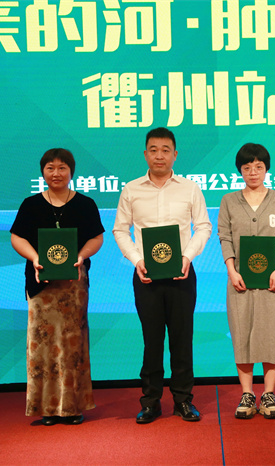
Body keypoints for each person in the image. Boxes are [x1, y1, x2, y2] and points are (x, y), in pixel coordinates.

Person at [113, 127, 212, 424]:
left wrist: (187, 256)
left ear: (175, 154)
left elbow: (203, 226)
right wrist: (137, 259)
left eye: (165, 150)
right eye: (154, 150)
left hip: (182, 274)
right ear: (145, 154)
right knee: (152, 341)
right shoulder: (131, 190)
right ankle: (150, 402)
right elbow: (120, 229)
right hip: (146, 276)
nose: (159, 155)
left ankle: (183, 400)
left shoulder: (190, 188)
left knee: (182, 340)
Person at [10, 148, 105, 426]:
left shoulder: (85, 204)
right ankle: (47, 409)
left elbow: (96, 238)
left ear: (71, 171)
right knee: (42, 346)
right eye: (50, 168)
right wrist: (35, 258)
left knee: (73, 345)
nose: (56, 173)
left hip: (74, 286)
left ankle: (72, 407)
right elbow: (17, 237)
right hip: (41, 285)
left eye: (62, 167)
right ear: (42, 172)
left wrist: (81, 256)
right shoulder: (31, 204)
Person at [217, 143, 275, 419]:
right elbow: (225, 237)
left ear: (266, 169)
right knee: (242, 336)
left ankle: (268, 394)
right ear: (240, 170)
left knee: (271, 335)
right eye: (247, 167)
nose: (253, 172)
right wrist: (232, 270)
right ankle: (247, 394)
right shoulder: (228, 201)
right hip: (240, 281)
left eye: (258, 167)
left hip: (273, 281)